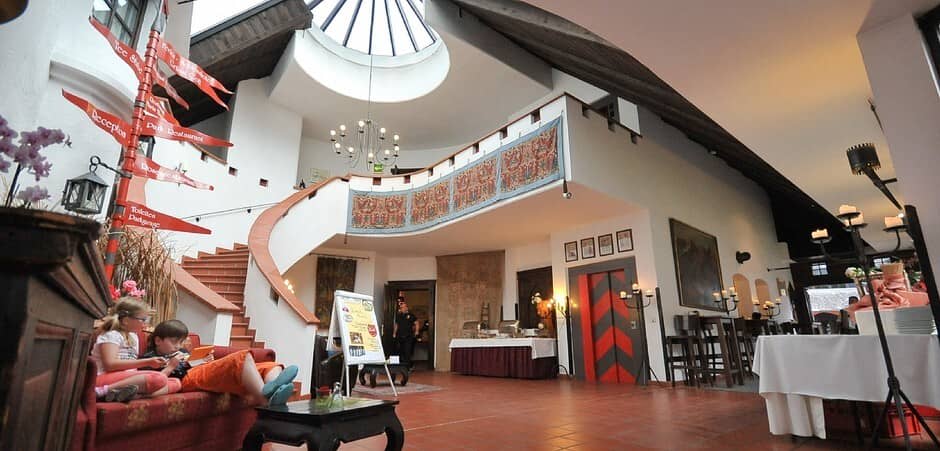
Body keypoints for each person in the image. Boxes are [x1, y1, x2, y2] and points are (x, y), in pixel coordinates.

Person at [142, 320, 298, 405]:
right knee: (242, 358)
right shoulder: (150, 358)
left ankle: (273, 390)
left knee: (269, 366)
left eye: (180, 342)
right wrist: (170, 366)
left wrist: (202, 360)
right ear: (157, 340)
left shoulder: (181, 352)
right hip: (185, 379)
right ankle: (266, 401)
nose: (178, 347)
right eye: (174, 342)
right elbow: (152, 383)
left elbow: (192, 363)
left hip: (198, 370)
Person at [91, 297, 175, 402]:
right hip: (103, 378)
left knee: (176, 382)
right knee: (159, 378)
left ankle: (131, 395)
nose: (145, 323)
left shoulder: (133, 336)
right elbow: (110, 365)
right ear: (126, 320)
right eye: (143, 320)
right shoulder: (112, 335)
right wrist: (147, 362)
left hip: (125, 379)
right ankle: (101, 392)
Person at [393, 301, 419, 367]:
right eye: (401, 307)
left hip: (408, 336)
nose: (403, 308)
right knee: (400, 351)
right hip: (400, 336)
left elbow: (417, 323)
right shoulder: (399, 316)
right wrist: (394, 333)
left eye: (404, 307)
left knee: (407, 351)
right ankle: (401, 365)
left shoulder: (411, 315)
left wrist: (417, 331)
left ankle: (407, 367)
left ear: (407, 308)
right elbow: (396, 325)